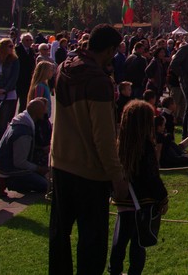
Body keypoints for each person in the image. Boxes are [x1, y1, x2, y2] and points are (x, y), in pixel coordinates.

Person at [49, 23, 127, 275]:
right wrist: (117, 176)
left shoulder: (63, 69)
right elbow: (103, 137)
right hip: (89, 173)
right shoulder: (98, 81)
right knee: (92, 244)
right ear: (110, 50)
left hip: (61, 163)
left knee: (59, 236)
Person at [110, 100, 168, 275]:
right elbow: (151, 177)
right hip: (141, 201)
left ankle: (115, 270)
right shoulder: (145, 146)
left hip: (124, 199)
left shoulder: (120, 143)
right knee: (138, 243)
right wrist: (163, 198)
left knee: (120, 240)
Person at [0, 97, 50, 198]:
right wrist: (39, 169)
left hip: (2, 162)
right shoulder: (23, 132)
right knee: (44, 185)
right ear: (37, 113)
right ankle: (7, 182)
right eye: (43, 112)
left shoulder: (21, 121)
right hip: (7, 168)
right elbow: (20, 162)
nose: (45, 114)